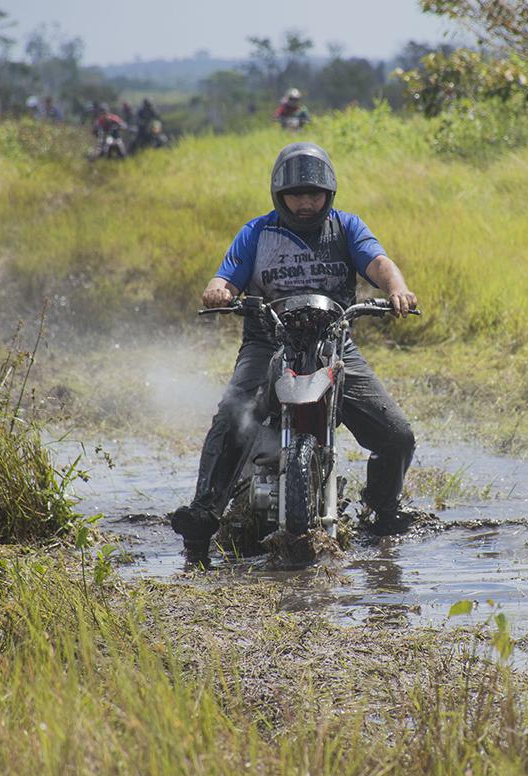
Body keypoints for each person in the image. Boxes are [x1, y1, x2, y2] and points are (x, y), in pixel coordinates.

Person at [171, 142, 419, 551]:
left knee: (397, 436)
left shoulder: (346, 227)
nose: (306, 203)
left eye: (314, 194)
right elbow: (227, 278)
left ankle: (382, 507)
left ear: (329, 195)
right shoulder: (257, 232)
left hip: (334, 344)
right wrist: (218, 290)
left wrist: (398, 289)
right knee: (233, 414)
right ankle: (204, 511)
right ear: (279, 196)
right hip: (268, 341)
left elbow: (379, 263)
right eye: (296, 195)